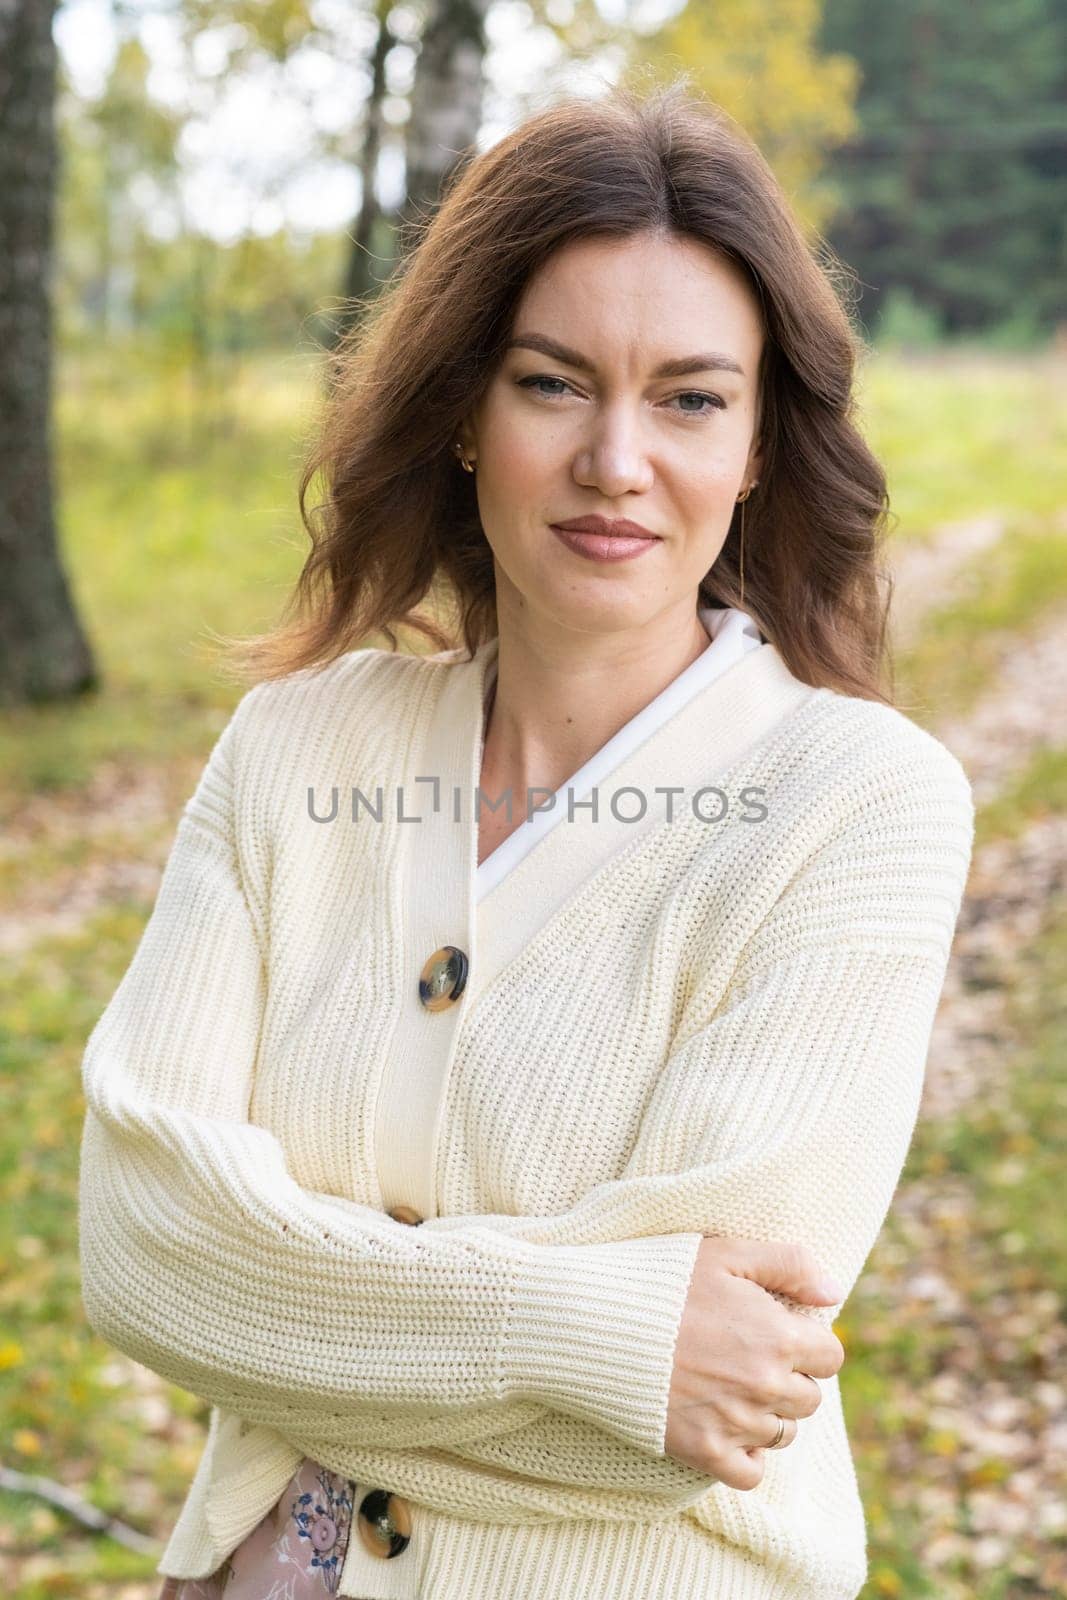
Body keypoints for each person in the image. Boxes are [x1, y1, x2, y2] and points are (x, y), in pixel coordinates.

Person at [79, 77, 974, 1600]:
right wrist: (602, 1333)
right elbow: (144, 1247)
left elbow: (699, 1415)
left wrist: (295, 1308)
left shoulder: (860, 803)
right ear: (462, 417)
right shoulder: (299, 746)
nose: (617, 461)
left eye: (690, 398)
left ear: (757, 448)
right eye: (554, 382)